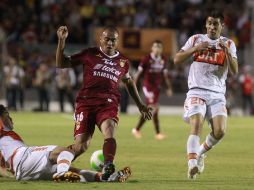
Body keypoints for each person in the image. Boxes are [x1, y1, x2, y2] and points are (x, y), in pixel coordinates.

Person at [56, 26, 152, 181]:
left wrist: (141, 105)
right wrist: (61, 41)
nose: (110, 42)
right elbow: (62, 63)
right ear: (100, 39)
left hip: (108, 103)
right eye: (106, 38)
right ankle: (56, 164)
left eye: (113, 39)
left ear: (117, 41)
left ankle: (108, 165)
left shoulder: (123, 62)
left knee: (109, 129)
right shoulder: (89, 54)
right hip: (85, 103)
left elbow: (128, 81)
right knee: (81, 146)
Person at [174, 10, 238, 179]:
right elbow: (177, 59)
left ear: (222, 26)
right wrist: (196, 48)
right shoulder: (196, 39)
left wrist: (227, 53)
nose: (211, 27)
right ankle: (192, 164)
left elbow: (235, 70)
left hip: (217, 94)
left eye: (215, 24)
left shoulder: (229, 43)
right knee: (196, 124)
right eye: (209, 23)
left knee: (220, 131)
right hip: (197, 90)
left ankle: (200, 152)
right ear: (206, 24)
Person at [0, 104, 131, 182]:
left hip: (23, 172)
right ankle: (61, 174)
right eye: (7, 114)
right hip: (23, 158)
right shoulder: (2, 130)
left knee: (74, 172)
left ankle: (106, 178)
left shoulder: (4, 143)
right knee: (65, 152)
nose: (10, 118)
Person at [131, 40, 172, 140]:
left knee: (153, 109)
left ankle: (153, 133)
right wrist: (134, 83)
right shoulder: (146, 59)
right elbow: (139, 73)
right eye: (155, 47)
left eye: (159, 47)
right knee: (153, 107)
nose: (157, 49)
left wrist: (168, 88)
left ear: (161, 49)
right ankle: (139, 130)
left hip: (156, 88)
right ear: (152, 48)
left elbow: (165, 75)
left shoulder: (163, 59)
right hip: (148, 86)